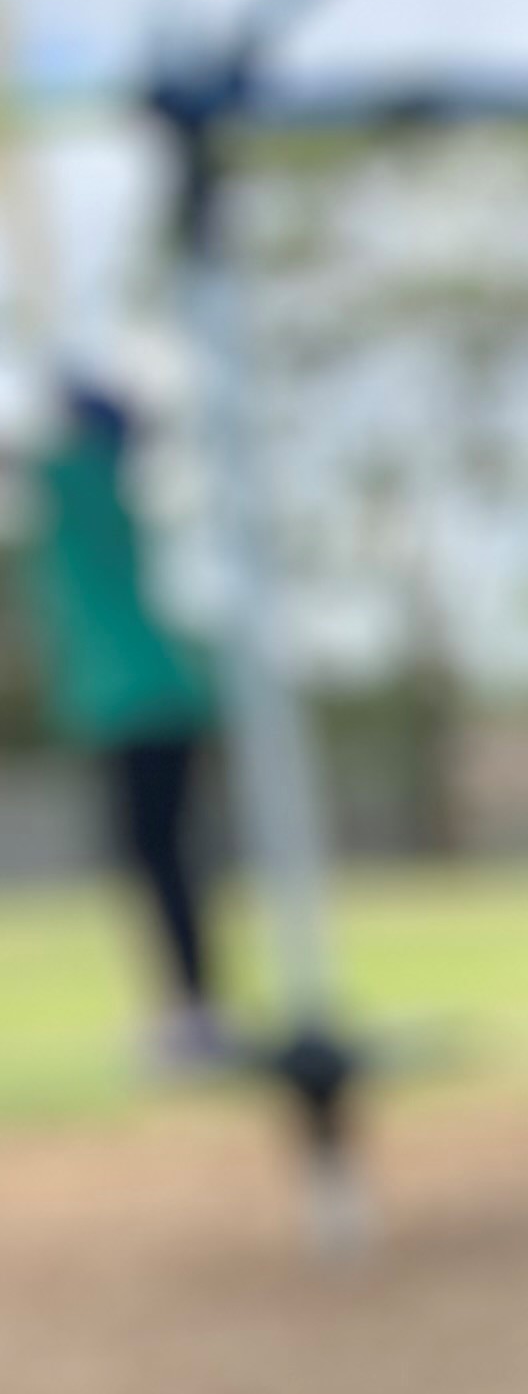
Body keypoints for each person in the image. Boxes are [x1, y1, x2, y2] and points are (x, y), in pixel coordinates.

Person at [20, 382, 228, 1067]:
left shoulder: (83, 481)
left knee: (159, 861)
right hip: (144, 704)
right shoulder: (99, 487)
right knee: (157, 861)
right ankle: (189, 1009)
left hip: (144, 706)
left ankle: (195, 1014)